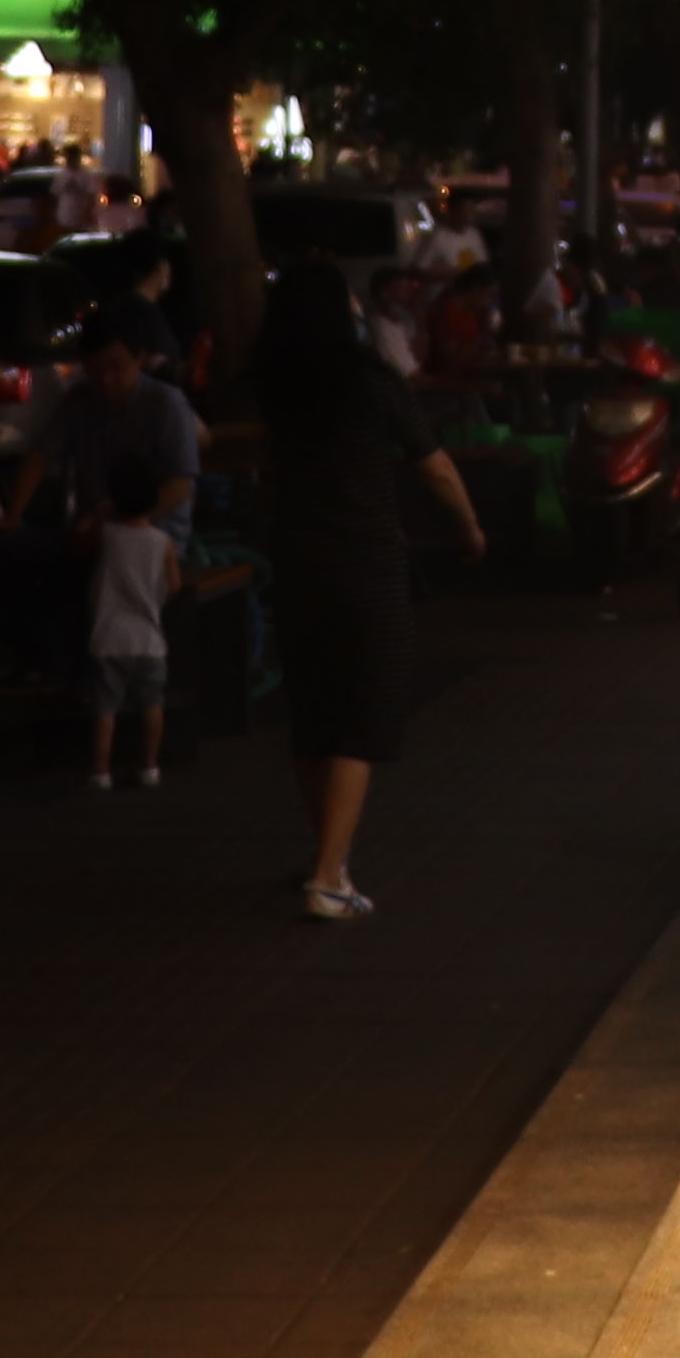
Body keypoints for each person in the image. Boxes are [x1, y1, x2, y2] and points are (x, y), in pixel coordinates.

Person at [252, 261, 484, 916]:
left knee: (315, 715)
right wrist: (470, 528)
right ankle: (328, 878)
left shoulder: (280, 385)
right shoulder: (372, 382)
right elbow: (433, 465)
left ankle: (328, 854)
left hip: (297, 561)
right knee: (363, 714)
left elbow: (270, 466)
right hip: (365, 563)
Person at [77, 443, 225, 788]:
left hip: (108, 637)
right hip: (149, 638)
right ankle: (150, 765)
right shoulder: (162, 542)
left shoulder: (106, 534)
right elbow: (172, 584)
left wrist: (93, 514)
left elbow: (79, 545)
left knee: (105, 710)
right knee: (152, 705)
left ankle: (100, 771)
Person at [30, 297, 204, 539]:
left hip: (154, 535)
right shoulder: (81, 400)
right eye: (96, 370)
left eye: (117, 367)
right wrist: (11, 518)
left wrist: (122, 523)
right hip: (95, 532)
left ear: (139, 358)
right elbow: (40, 456)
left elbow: (179, 487)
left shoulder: (166, 404)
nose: (106, 379)